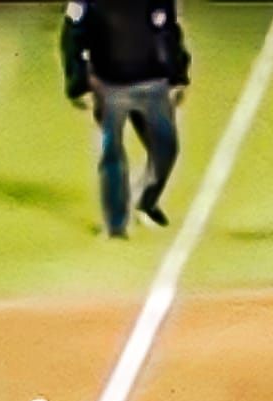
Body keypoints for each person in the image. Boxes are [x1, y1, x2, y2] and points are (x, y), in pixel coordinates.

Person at [60, 0, 189, 240]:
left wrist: (178, 75)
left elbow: (170, 31)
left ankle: (145, 200)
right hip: (108, 87)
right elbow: (71, 36)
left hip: (154, 85)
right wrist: (78, 84)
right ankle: (115, 224)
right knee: (112, 155)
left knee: (166, 148)